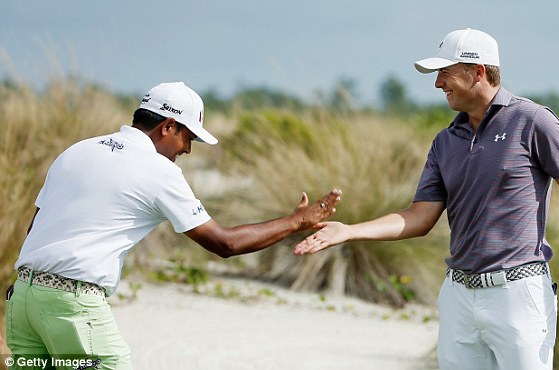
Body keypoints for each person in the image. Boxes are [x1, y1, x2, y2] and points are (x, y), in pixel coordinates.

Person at [294, 28, 559, 370]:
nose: (437, 83)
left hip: (519, 294)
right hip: (459, 295)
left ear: (477, 72)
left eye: (445, 73)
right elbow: (419, 216)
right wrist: (350, 231)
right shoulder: (445, 141)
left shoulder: (532, 121)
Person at [5, 81, 342, 369]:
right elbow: (225, 243)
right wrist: (297, 220)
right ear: (167, 126)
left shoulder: (76, 151)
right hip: (73, 306)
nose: (188, 149)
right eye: (188, 137)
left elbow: (39, 222)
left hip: (23, 299)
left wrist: (27, 285)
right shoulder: (158, 170)